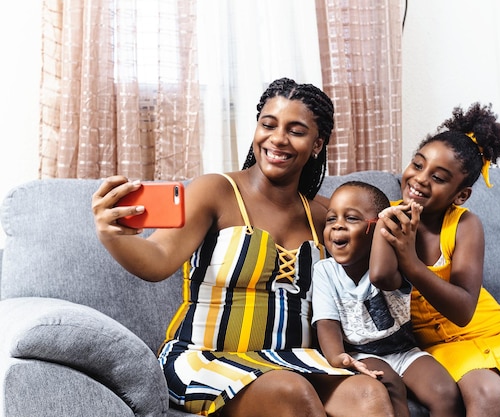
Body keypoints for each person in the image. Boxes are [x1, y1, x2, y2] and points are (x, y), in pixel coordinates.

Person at [92, 78, 396, 417]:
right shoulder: (216, 191)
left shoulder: (326, 215)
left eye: (296, 130)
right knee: (292, 392)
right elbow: (158, 259)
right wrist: (113, 235)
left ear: (316, 144)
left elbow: (373, 281)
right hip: (207, 357)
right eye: (268, 125)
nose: (278, 138)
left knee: (369, 395)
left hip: (295, 360)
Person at [369, 103, 500, 417]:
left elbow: (465, 309)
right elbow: (380, 277)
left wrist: (411, 262)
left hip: (495, 330)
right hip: (441, 344)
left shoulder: (465, 225)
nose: (420, 179)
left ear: (460, 195)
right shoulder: (389, 217)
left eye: (438, 177)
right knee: (490, 397)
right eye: (417, 164)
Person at [312, 181, 464, 417]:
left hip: (405, 351)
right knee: (389, 383)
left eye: (351, 218)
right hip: (361, 354)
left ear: (376, 228)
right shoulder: (324, 271)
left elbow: (380, 276)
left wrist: (385, 223)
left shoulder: (393, 265)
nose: (338, 226)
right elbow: (326, 323)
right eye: (331, 219)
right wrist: (338, 358)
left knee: (446, 393)